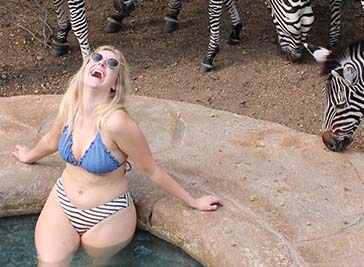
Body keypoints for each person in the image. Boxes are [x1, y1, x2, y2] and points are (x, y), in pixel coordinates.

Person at [12, 46, 223, 266]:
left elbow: (151, 169)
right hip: (62, 202)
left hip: (108, 214)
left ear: (114, 84)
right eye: (97, 57)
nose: (102, 63)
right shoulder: (70, 106)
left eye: (112, 64)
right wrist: (29, 156)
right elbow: (51, 140)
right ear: (85, 68)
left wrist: (193, 201)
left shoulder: (118, 123)